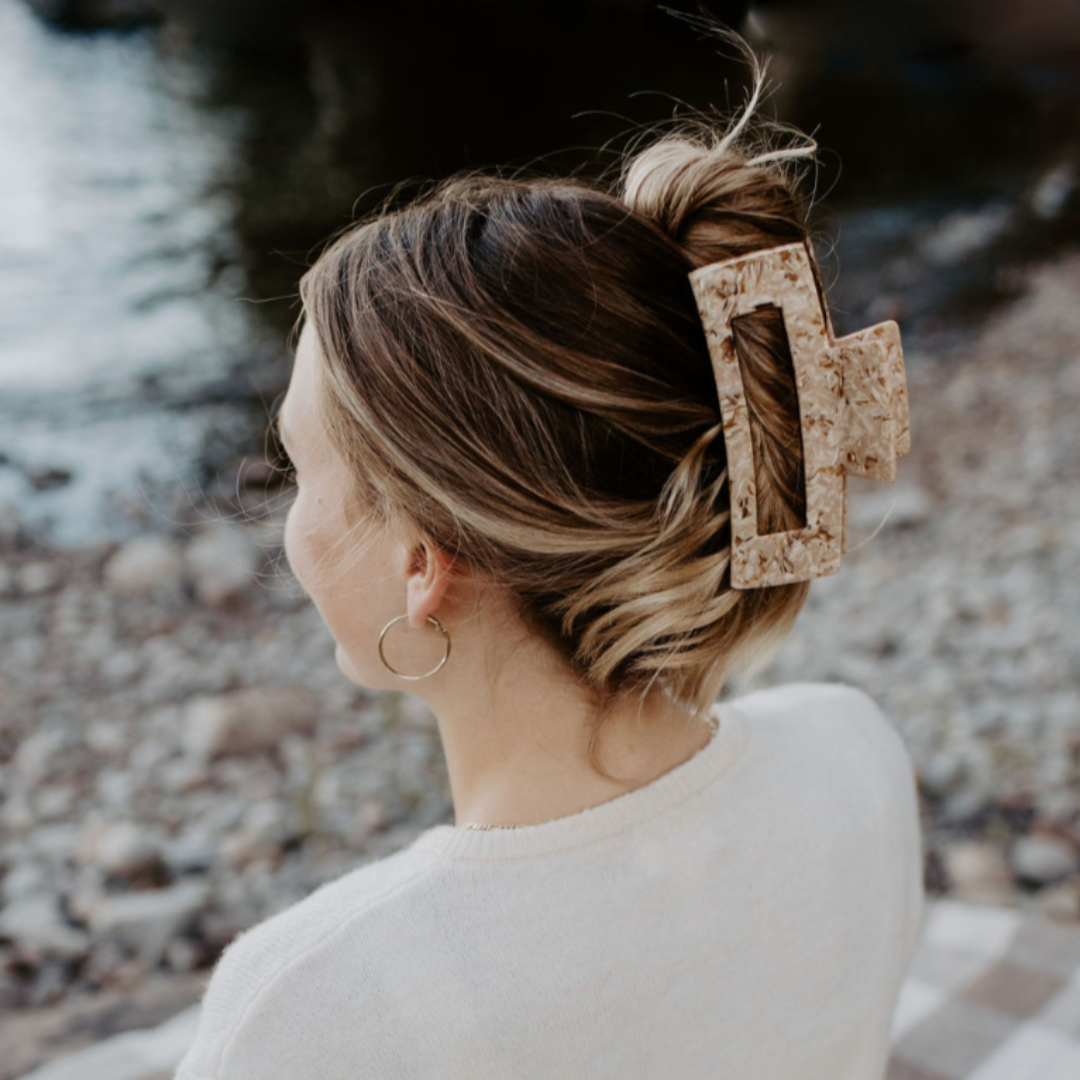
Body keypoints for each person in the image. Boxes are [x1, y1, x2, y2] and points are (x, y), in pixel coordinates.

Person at [173, 45, 925, 1080]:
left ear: (420, 563)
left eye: (300, 469)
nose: (286, 520)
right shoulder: (853, 748)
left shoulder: (310, 1006)